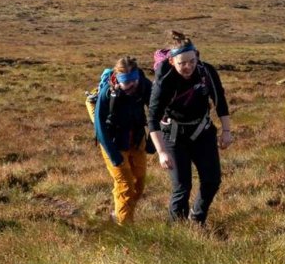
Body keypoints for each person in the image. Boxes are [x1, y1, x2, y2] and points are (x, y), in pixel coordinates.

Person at [148, 31, 232, 225]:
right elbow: (152, 118)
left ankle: (197, 217)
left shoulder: (207, 72)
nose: (188, 67)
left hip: (202, 132)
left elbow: (220, 101)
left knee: (212, 180)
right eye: (182, 63)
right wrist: (161, 152)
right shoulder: (165, 80)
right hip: (174, 136)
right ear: (172, 62)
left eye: (192, 61)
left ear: (197, 56)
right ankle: (176, 233)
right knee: (182, 187)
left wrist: (226, 131)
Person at [88, 55, 150, 224]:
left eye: (134, 80)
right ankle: (125, 227)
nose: (132, 85)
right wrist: (114, 155)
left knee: (139, 182)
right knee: (125, 184)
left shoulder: (143, 85)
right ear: (117, 80)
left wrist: (152, 139)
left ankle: (119, 213)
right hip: (113, 143)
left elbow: (155, 109)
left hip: (136, 141)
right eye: (127, 82)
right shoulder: (108, 93)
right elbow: (99, 126)